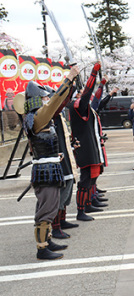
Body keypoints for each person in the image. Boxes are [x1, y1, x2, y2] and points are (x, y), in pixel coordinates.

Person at [23, 65, 79, 260]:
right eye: (45, 97)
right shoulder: (38, 116)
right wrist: (69, 78)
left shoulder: (38, 117)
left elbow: (42, 144)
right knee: (46, 210)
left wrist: (56, 157)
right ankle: (42, 248)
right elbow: (57, 100)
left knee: (51, 206)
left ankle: (47, 241)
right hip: (45, 170)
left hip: (50, 166)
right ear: (38, 99)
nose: (48, 99)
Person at [68, 63, 108, 222]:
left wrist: (101, 84)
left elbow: (95, 98)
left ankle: (88, 203)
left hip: (91, 146)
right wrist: (93, 73)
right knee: (85, 180)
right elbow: (87, 95)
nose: (81, 94)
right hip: (84, 148)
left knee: (91, 178)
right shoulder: (76, 106)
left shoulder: (84, 106)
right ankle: (81, 210)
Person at [43, 86, 79, 239]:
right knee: (60, 192)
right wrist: (70, 85)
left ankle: (62, 221)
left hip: (63, 155)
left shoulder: (56, 115)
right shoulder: (46, 115)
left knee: (68, 187)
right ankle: (55, 226)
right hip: (54, 159)